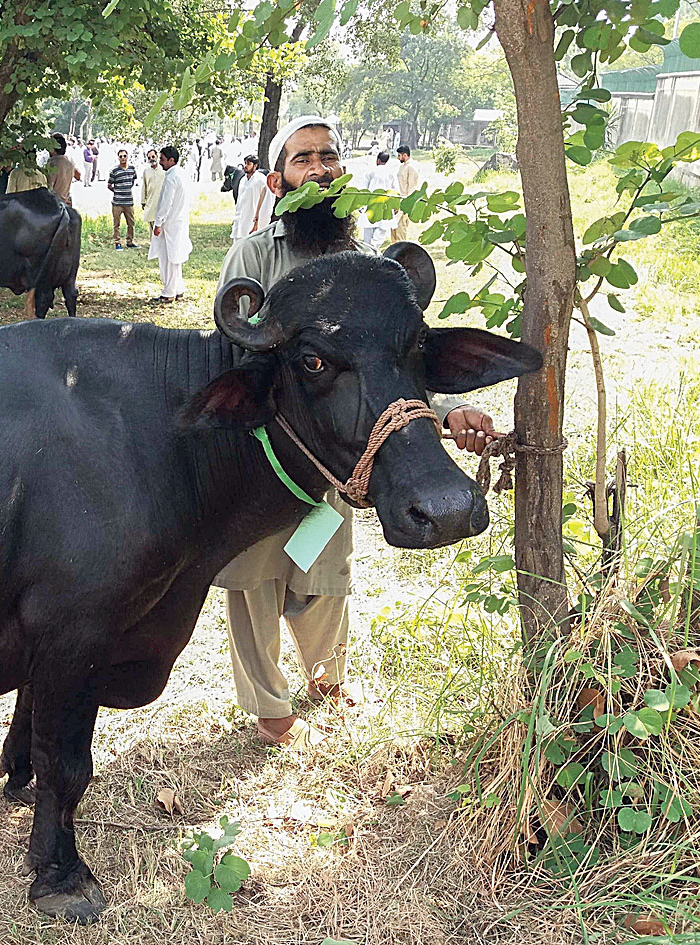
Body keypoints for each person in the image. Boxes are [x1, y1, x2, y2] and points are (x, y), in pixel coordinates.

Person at [212, 115, 497, 749]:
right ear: (281, 180)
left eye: (328, 156)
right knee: (256, 579)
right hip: (267, 455)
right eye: (302, 159)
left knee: (325, 569)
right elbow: (236, 355)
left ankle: (326, 676)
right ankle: (268, 704)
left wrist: (446, 415)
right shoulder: (254, 257)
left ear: (343, 174)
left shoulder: (368, 267)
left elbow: (400, 360)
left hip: (341, 454)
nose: (317, 167)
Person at [147, 145, 191, 304]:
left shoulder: (172, 176)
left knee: (168, 259)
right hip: (179, 220)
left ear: (172, 160)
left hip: (170, 223)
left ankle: (168, 292)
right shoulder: (182, 174)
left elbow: (166, 203)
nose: (160, 162)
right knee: (175, 256)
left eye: (163, 160)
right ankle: (178, 288)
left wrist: (158, 223)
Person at [359, 151, 399, 251]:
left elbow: (364, 189)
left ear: (378, 160)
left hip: (371, 204)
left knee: (368, 233)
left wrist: (361, 205)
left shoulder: (370, 171)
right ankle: (372, 249)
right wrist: (396, 205)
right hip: (385, 205)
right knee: (381, 231)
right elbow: (396, 191)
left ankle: (368, 250)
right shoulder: (391, 173)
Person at [230, 154, 272, 241]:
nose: (245, 166)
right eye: (245, 163)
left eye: (248, 164)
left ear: (255, 166)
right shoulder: (243, 180)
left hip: (252, 218)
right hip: (240, 217)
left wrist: (257, 217)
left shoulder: (261, 180)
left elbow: (265, 201)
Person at [107, 149, 139, 250]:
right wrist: (117, 191)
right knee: (116, 224)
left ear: (127, 156)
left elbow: (133, 180)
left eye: (124, 156)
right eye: (120, 156)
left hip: (129, 201)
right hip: (117, 202)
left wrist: (127, 189)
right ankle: (117, 242)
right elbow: (109, 184)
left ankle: (130, 241)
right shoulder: (114, 171)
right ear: (118, 158)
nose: (123, 158)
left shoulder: (132, 169)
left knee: (131, 223)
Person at [45, 134, 80, 206]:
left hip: (54, 204)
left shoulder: (52, 164)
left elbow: (49, 186)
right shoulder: (69, 163)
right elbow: (78, 176)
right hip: (66, 201)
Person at [394, 145, 420, 241]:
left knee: (401, 227)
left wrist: (407, 204)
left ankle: (401, 250)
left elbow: (412, 187)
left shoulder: (412, 167)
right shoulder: (402, 167)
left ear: (405, 155)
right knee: (394, 227)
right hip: (399, 199)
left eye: (399, 155)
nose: (398, 157)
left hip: (405, 200)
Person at [140, 149, 164, 238]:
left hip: (162, 201)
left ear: (157, 157)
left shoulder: (163, 169)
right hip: (151, 201)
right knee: (151, 223)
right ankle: (153, 243)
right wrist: (143, 201)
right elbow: (144, 187)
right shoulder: (146, 171)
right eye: (149, 158)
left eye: (153, 157)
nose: (151, 159)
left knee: (162, 224)